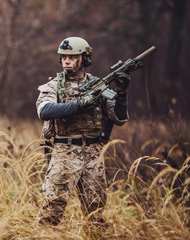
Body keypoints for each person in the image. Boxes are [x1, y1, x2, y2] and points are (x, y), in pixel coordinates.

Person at [34, 37, 130, 226]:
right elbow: (44, 111)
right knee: (52, 210)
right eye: (63, 57)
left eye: (71, 57)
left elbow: (119, 119)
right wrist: (79, 104)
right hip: (65, 152)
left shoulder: (98, 86)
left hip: (94, 153)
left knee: (95, 213)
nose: (66, 61)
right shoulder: (54, 85)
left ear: (84, 59)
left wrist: (122, 92)